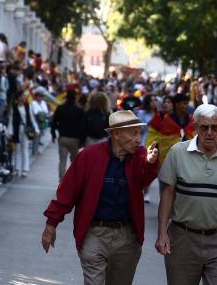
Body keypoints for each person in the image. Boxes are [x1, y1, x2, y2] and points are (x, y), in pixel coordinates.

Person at [42, 111, 160, 285]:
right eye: (133, 133)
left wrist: (150, 164)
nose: (138, 139)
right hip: (94, 234)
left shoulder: (140, 155)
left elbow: (144, 177)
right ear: (116, 134)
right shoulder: (89, 156)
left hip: (127, 236)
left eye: (139, 133)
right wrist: (51, 224)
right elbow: (67, 191)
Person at [156, 104, 217, 285]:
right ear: (196, 128)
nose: (210, 133)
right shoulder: (178, 152)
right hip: (183, 239)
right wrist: (162, 232)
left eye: (215, 128)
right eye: (204, 127)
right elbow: (168, 194)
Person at [51, 89, 85, 179]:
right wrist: (82, 140)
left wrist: (53, 134)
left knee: (62, 161)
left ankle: (61, 182)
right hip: (75, 139)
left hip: (63, 138)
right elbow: (82, 127)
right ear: (75, 98)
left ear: (66, 97)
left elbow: (54, 122)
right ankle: (72, 181)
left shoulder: (60, 108)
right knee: (74, 162)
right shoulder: (79, 110)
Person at [11, 89, 37, 177]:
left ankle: (25, 169)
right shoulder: (14, 107)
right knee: (17, 150)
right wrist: (9, 131)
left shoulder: (27, 106)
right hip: (16, 130)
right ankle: (16, 168)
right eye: (23, 96)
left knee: (25, 149)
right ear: (18, 97)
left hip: (26, 129)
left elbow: (32, 118)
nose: (24, 97)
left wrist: (36, 129)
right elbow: (11, 120)